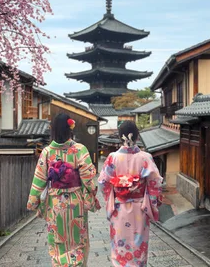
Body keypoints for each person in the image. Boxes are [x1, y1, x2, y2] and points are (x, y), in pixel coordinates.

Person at [27, 113, 100, 266]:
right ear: (70, 128)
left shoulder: (47, 152)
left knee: (57, 242)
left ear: (53, 129)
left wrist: (33, 202)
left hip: (55, 204)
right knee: (77, 242)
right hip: (76, 203)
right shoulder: (80, 149)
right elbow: (88, 177)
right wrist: (92, 193)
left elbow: (39, 179)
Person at [98, 120, 163, 267]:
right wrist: (153, 202)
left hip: (118, 209)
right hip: (140, 209)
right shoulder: (145, 158)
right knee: (138, 247)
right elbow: (155, 184)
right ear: (138, 137)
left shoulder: (112, 158)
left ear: (120, 137)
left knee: (119, 247)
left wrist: (113, 196)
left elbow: (103, 183)